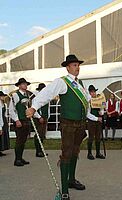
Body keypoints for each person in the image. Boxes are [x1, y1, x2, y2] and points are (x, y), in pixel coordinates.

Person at [26, 54, 89, 200]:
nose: (77, 67)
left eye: (78, 65)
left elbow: (86, 103)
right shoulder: (62, 82)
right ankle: (65, 189)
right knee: (66, 154)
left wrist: (93, 117)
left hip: (80, 123)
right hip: (68, 124)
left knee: (75, 152)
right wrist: (34, 107)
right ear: (67, 67)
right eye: (74, 65)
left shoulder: (80, 84)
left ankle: (71, 180)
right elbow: (47, 94)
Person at [9, 78, 43, 167]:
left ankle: (20, 157)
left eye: (26, 84)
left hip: (26, 120)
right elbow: (11, 109)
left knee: (23, 140)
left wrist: (38, 117)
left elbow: (30, 109)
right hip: (20, 121)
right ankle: (17, 159)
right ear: (19, 85)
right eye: (23, 84)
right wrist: (16, 120)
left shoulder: (27, 96)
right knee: (19, 140)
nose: (25, 85)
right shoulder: (15, 95)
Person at [87, 85, 105, 160]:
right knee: (91, 137)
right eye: (92, 92)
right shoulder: (88, 101)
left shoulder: (98, 100)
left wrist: (101, 112)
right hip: (92, 121)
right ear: (90, 93)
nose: (93, 93)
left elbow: (102, 108)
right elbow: (87, 114)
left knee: (98, 137)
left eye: (94, 92)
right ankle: (89, 153)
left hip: (98, 121)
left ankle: (98, 153)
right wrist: (96, 118)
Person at [34, 83, 50, 157]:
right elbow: (34, 108)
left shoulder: (46, 97)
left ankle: (41, 150)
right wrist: (39, 117)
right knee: (38, 134)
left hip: (45, 117)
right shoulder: (36, 97)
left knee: (42, 134)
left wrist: (47, 116)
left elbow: (48, 108)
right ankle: (38, 151)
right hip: (39, 118)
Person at [0, 91, 10, 156]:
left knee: (4, 135)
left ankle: (1, 149)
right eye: (2, 96)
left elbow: (5, 114)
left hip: (4, 120)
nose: (3, 97)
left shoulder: (4, 104)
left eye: (3, 96)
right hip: (0, 120)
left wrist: (6, 121)